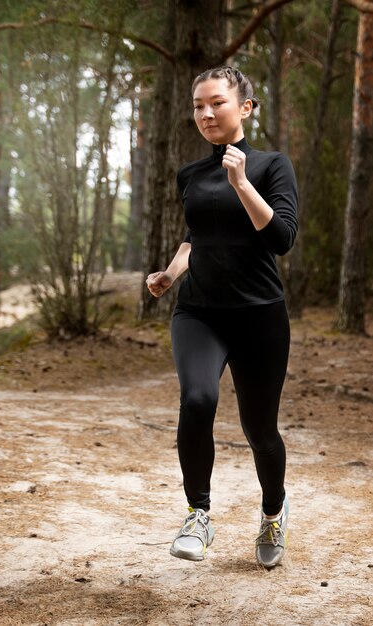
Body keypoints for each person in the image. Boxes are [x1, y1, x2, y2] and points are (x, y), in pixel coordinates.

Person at [146, 66, 298, 568]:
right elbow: (197, 238)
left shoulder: (273, 166)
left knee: (260, 430)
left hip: (259, 317)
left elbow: (280, 239)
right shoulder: (189, 174)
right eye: (197, 105)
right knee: (197, 397)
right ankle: (198, 513)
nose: (206, 113)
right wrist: (170, 274)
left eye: (217, 103)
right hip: (200, 313)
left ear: (246, 108)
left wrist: (240, 180)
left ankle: (273, 513)